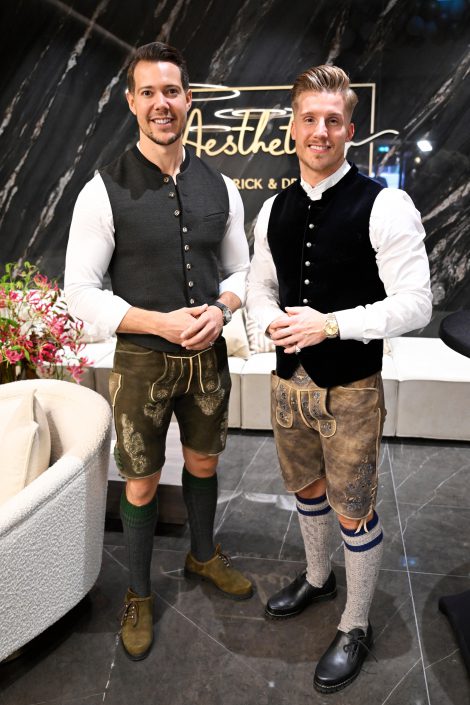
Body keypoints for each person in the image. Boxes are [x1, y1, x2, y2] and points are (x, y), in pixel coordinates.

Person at [65, 41, 253, 662]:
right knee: (141, 482)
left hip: (208, 358)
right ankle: (139, 593)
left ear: (188, 99)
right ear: (131, 102)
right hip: (142, 362)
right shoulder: (101, 191)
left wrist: (221, 309)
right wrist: (158, 324)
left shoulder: (222, 186)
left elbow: (242, 271)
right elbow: (79, 293)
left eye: (170, 91)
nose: (160, 103)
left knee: (204, 463)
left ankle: (202, 555)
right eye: (147, 92)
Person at [246, 65, 432, 693]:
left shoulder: (385, 204)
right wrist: (268, 322)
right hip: (287, 384)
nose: (320, 131)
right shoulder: (272, 208)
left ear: (351, 129)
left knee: (353, 508)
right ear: (292, 127)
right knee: (306, 489)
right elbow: (260, 287)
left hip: (351, 388)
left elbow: (417, 303)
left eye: (333, 120)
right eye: (309, 119)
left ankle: (355, 624)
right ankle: (318, 578)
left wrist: (331, 325)